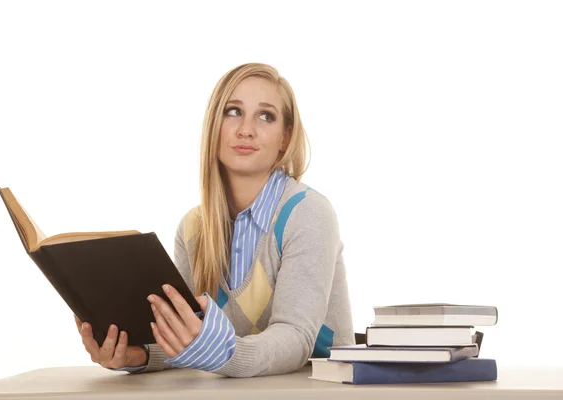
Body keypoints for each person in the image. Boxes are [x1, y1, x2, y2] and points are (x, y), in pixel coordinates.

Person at [74, 62, 355, 377]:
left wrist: (224, 354)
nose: (245, 129)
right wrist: (136, 355)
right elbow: (187, 337)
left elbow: (296, 338)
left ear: (285, 138)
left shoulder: (308, 213)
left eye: (266, 116)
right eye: (233, 111)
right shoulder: (193, 229)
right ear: (213, 126)